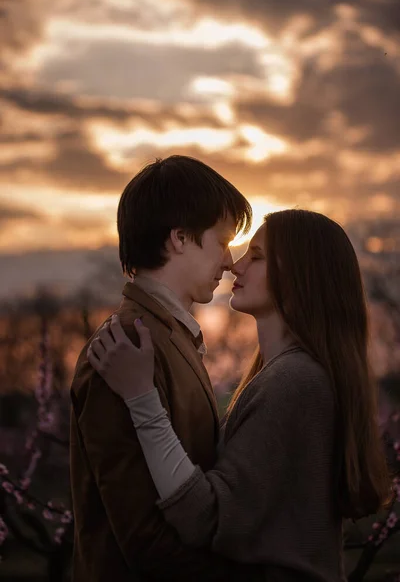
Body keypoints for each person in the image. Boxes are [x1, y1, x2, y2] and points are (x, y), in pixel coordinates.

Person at [88, 209, 392, 582]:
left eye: (258, 256)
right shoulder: (286, 375)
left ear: (301, 276)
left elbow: (206, 519)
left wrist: (141, 397)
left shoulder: (294, 382)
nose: (236, 265)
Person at [70, 155, 263, 582]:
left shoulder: (163, 337)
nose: (230, 261)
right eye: (221, 241)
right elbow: (143, 540)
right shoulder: (125, 347)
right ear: (179, 237)